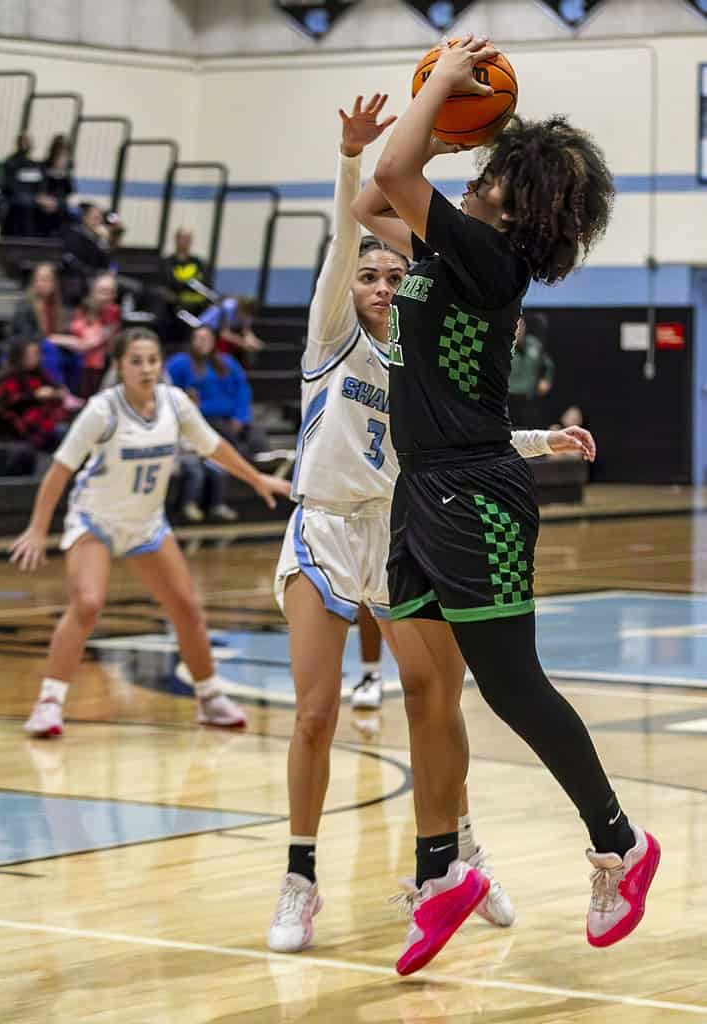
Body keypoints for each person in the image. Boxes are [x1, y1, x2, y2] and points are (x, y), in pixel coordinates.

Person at [353, 36, 659, 975]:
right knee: (425, 690)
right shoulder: (450, 244)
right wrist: (434, 136)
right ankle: (444, 875)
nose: (479, 171)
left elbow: (391, 170)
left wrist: (441, 92)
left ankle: (620, 843)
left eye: (491, 167)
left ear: (517, 201)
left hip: (473, 490)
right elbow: (375, 196)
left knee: (508, 684)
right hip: (419, 489)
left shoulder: (487, 260)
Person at [266, 93, 588, 956]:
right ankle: (300, 879)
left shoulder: (418, 329)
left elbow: (451, 431)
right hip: (327, 531)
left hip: (406, 522)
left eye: (385, 276)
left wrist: (539, 441)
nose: (376, 285)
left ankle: (456, 855)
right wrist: (354, 155)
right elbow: (357, 224)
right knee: (314, 713)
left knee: (433, 700)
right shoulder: (332, 336)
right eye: (366, 276)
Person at [11, 326, 291, 739]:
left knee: (188, 609)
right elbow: (60, 470)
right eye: (136, 361)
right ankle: (49, 702)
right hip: (95, 521)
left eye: (153, 360)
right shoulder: (102, 410)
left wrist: (257, 480)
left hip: (146, 525)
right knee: (88, 605)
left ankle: (210, 697)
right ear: (119, 366)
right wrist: (37, 529)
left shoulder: (174, 404)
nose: (146, 369)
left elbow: (214, 447)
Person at [166, 324, 269, 464]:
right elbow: (167, 387)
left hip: (231, 417)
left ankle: (265, 470)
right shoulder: (180, 363)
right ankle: (243, 469)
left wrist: (240, 417)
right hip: (203, 418)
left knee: (257, 437)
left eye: (206, 338)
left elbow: (243, 390)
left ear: (214, 341)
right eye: (198, 338)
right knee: (229, 437)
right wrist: (186, 397)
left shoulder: (228, 362)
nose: (201, 342)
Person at [11, 263, 83, 394]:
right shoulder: (25, 306)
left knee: (77, 354)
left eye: (46, 279)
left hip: (49, 347)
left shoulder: (55, 306)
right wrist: (53, 339)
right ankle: (61, 391)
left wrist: (70, 341)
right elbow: (25, 336)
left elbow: (60, 332)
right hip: (26, 349)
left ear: (54, 283)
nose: (42, 283)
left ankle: (73, 393)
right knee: (50, 349)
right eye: (39, 279)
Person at [0, 337, 68, 453]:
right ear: (19, 356)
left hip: (46, 425)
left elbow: (58, 390)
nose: (35, 358)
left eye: (36, 354)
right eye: (30, 354)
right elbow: (7, 404)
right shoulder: (8, 379)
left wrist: (57, 394)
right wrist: (34, 396)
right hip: (21, 432)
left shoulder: (40, 374)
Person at [70, 273, 122, 396]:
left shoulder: (114, 311)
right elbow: (85, 342)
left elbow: (112, 341)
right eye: (103, 292)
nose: (107, 297)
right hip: (81, 363)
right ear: (93, 292)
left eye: (111, 292)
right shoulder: (83, 310)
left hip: (106, 362)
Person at [508, 312, 555, 428]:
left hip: (529, 400)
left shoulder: (534, 344)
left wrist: (546, 379)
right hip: (508, 400)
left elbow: (548, 364)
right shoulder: (503, 347)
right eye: (515, 326)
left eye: (521, 325)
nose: (518, 329)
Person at [61, 204, 111, 305]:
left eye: (100, 219)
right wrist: (93, 273)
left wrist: (104, 242)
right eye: (95, 218)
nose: (98, 222)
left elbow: (106, 264)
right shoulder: (74, 235)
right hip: (79, 278)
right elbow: (70, 261)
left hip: (97, 277)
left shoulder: (99, 239)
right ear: (85, 219)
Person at [200, 295, 264, 365]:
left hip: (221, 331)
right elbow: (224, 334)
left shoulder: (248, 312)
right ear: (240, 309)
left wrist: (256, 342)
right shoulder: (229, 307)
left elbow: (246, 331)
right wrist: (244, 344)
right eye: (245, 314)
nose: (246, 317)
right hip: (207, 327)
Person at [38, 134, 74, 237]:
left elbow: (69, 191)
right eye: (59, 154)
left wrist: (62, 173)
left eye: (65, 155)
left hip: (59, 202)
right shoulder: (44, 167)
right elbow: (41, 187)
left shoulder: (66, 171)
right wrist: (45, 199)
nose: (61, 158)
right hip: (45, 200)